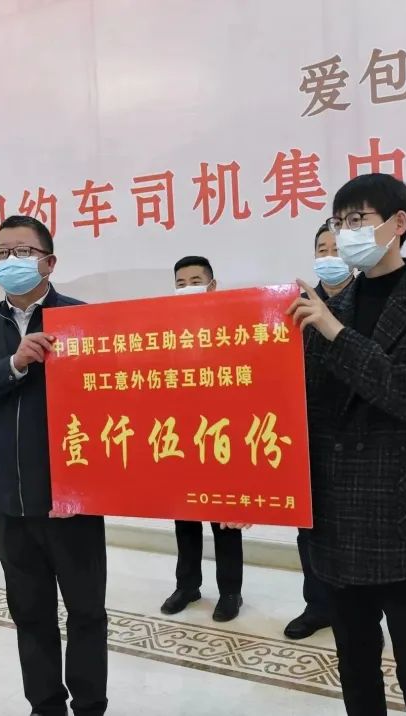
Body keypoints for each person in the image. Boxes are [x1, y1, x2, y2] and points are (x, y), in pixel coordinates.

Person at [288, 173, 406, 716]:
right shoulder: (329, 308)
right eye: (339, 222)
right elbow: (302, 410)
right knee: (355, 660)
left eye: (358, 220)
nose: (345, 233)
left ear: (398, 224)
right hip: (337, 516)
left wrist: (334, 333)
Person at [0, 215, 108, 716]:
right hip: (9, 499)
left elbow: (107, 401)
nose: (9, 261)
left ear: (49, 262)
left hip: (71, 499)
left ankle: (90, 705)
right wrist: (14, 364)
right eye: (1, 253)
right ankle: (45, 706)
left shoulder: (79, 318)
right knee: (30, 613)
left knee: (86, 611)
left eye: (22, 252)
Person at [160, 255, 246, 623]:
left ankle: (230, 591)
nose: (187, 288)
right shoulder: (165, 333)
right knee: (185, 517)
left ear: (212, 286)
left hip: (221, 436)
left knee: (225, 519)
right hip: (181, 438)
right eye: (180, 284)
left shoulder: (232, 329)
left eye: (195, 281)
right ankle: (187, 585)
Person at [283, 226, 350, 640]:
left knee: (353, 532)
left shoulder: (367, 302)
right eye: (321, 249)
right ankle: (317, 605)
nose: (328, 256)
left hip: (356, 439)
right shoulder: (295, 305)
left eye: (336, 249)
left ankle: (358, 614)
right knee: (308, 530)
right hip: (306, 437)